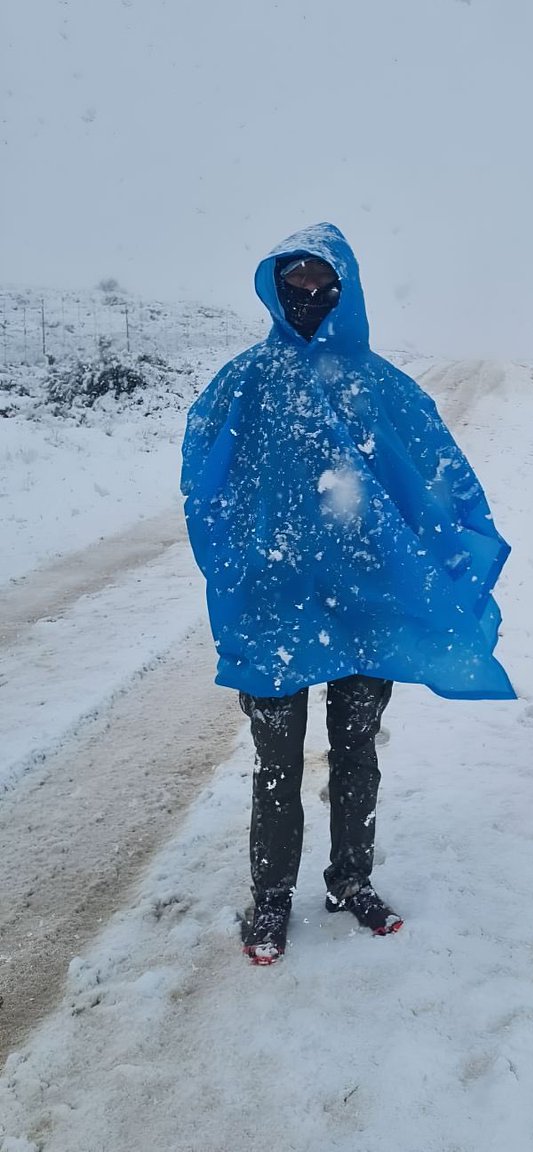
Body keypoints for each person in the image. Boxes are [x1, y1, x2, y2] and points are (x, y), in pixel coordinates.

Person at [181, 223, 515, 964]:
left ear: (342, 289)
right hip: (275, 605)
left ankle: (350, 879)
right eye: (292, 282)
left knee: (355, 749)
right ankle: (270, 897)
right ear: (275, 287)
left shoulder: (379, 386)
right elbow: (205, 483)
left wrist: (452, 544)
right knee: (277, 759)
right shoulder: (245, 383)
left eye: (319, 283)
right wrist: (234, 562)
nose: (305, 296)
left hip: (364, 603)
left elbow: (433, 472)